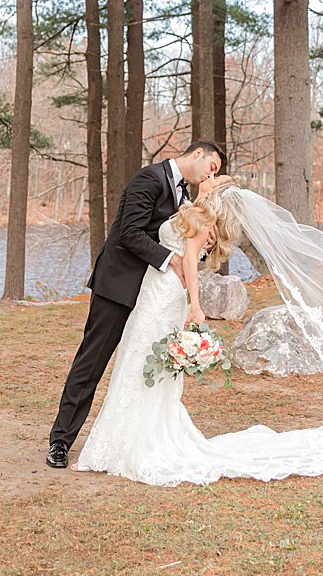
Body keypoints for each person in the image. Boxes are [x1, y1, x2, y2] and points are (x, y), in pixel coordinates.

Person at [69, 179, 323, 486]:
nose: (209, 178)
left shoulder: (203, 222)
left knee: (140, 365)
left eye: (215, 179)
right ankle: (112, 445)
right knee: (132, 361)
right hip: (151, 291)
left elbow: (191, 262)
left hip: (165, 295)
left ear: (219, 198)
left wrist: (195, 305)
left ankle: (128, 446)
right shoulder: (195, 211)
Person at [45, 140, 226, 469]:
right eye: (211, 167)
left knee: (138, 367)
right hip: (119, 286)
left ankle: (133, 437)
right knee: (92, 363)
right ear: (197, 154)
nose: (210, 175)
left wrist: (203, 237)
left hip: (152, 296)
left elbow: (176, 232)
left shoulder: (182, 193)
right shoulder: (149, 178)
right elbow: (129, 232)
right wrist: (170, 259)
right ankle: (60, 440)